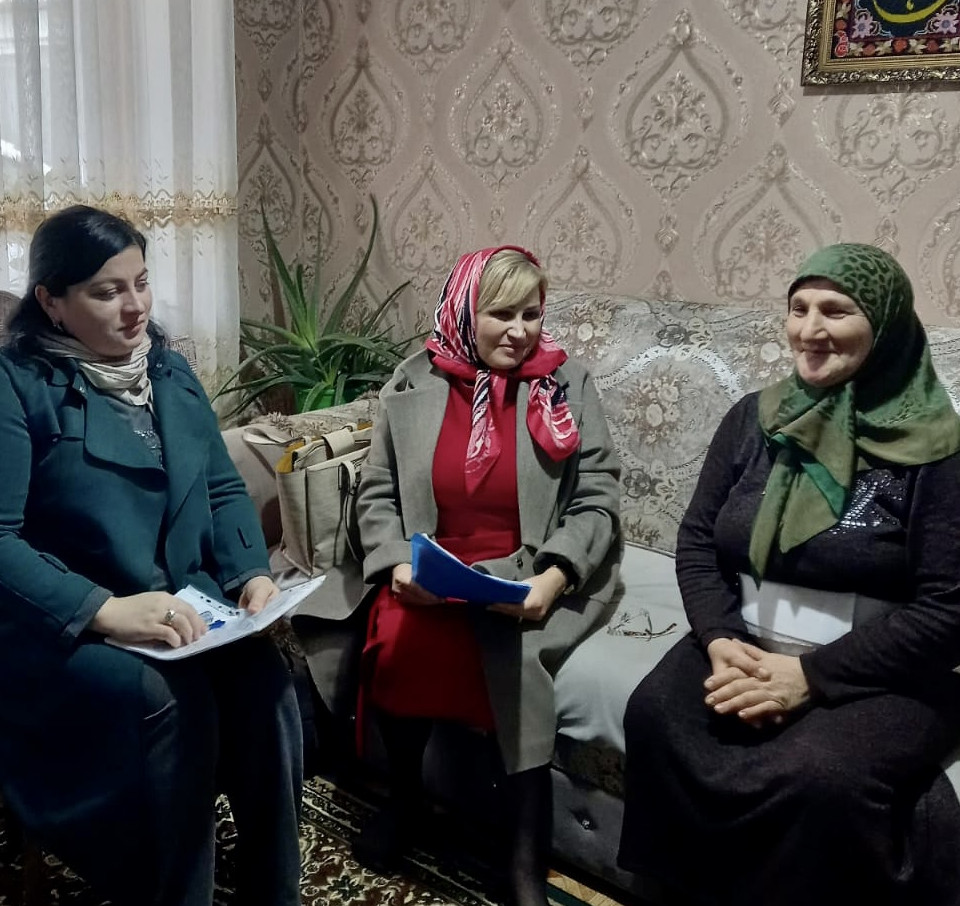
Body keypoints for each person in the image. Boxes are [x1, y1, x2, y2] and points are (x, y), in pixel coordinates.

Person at [617, 242, 960, 906]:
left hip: (876, 669)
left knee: (820, 776)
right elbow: (698, 541)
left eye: (835, 310)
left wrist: (809, 677)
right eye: (798, 308)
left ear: (886, 325)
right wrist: (720, 638)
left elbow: (948, 608)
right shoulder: (755, 419)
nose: (810, 328)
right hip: (746, 640)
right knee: (657, 716)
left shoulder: (939, 449)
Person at [297, 246, 620, 906]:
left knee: (515, 659)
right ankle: (406, 801)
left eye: (531, 314)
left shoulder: (565, 384)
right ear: (465, 313)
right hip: (432, 563)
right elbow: (378, 492)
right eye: (502, 314)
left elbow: (597, 498)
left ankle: (525, 857)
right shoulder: (412, 381)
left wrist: (554, 578)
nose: (520, 331)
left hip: (528, 567)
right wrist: (396, 563)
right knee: (397, 641)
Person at [0, 205, 303, 906]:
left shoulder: (166, 367)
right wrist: (104, 610)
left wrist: (252, 574)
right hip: (65, 626)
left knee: (265, 680)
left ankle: (275, 893)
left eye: (141, 283)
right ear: (51, 301)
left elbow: (221, 485)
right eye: (107, 292)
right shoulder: (16, 384)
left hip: (180, 610)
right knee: (167, 700)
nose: (135, 306)